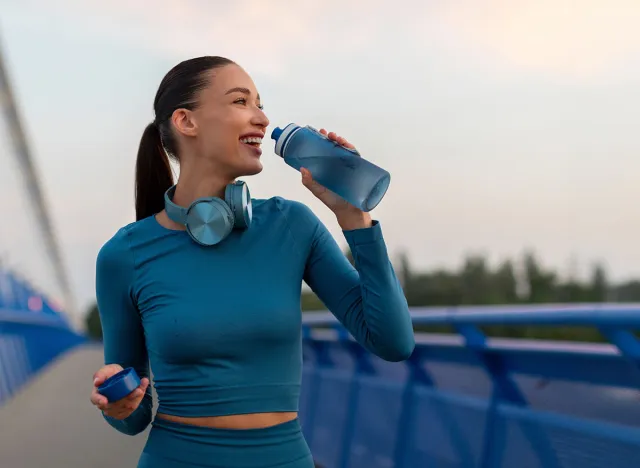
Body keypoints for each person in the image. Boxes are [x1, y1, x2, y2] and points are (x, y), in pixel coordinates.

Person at [90, 55, 415, 468]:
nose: (262, 118)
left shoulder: (292, 225)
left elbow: (394, 342)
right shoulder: (124, 255)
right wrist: (117, 405)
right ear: (186, 122)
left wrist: (355, 218)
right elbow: (133, 417)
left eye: (260, 103)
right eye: (241, 101)